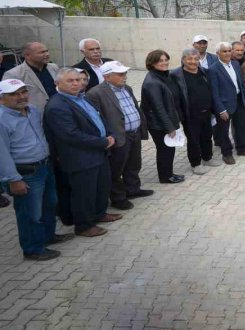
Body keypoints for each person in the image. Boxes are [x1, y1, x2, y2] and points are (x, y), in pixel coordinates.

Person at [1, 79, 72, 260]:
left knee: (49, 203)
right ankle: (33, 249)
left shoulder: (32, 110)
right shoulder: (2, 119)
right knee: (30, 213)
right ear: (2, 98)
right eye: (14, 94)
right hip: (25, 173)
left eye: (23, 92)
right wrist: (13, 179)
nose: (21, 97)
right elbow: (2, 154)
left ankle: (48, 236)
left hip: (44, 165)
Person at [44, 67, 120, 237]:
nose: (76, 83)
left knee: (100, 187)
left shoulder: (81, 98)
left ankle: (99, 214)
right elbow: (71, 135)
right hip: (80, 158)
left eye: (78, 80)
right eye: (70, 81)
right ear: (57, 83)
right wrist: (103, 142)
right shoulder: (57, 106)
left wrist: (109, 134)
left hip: (98, 153)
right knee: (84, 193)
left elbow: (98, 118)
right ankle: (84, 226)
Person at [85, 61, 152, 211]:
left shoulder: (127, 88)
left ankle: (133, 189)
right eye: (120, 74)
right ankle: (118, 198)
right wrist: (108, 137)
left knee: (134, 164)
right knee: (116, 169)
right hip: (118, 137)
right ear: (107, 77)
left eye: (125, 73)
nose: (125, 76)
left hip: (134, 133)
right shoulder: (95, 93)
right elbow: (96, 119)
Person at [140, 51, 186, 184]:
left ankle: (168, 173)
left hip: (165, 121)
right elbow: (158, 108)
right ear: (152, 63)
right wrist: (169, 127)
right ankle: (166, 177)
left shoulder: (163, 75)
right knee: (165, 149)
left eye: (166, 59)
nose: (165, 63)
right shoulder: (152, 82)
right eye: (160, 61)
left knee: (169, 148)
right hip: (158, 124)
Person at [170, 49, 215, 175]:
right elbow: (175, 98)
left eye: (196, 59)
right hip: (190, 114)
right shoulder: (176, 75)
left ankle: (207, 158)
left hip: (206, 111)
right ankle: (196, 164)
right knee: (193, 140)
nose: (193, 61)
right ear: (183, 59)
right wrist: (179, 115)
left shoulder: (203, 71)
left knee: (207, 136)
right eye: (190, 59)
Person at [208, 42, 245, 164]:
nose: (227, 53)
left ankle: (242, 149)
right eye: (224, 51)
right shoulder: (213, 69)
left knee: (241, 126)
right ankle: (227, 154)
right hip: (224, 104)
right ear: (217, 53)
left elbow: (242, 83)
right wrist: (221, 109)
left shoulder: (235, 64)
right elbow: (214, 92)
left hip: (239, 100)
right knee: (223, 131)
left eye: (229, 51)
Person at [5, 42, 59, 112]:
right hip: (34, 114)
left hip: (58, 111)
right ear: (27, 55)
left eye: (47, 51)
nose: (47, 54)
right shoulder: (14, 74)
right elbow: (8, 100)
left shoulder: (53, 67)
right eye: (42, 52)